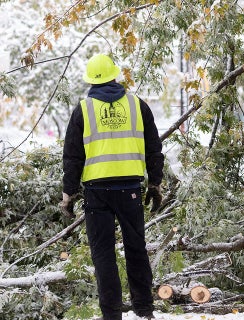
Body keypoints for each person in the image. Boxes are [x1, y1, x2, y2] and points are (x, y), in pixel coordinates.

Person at [59, 53, 164, 319]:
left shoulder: (83, 109)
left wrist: (68, 193)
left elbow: (73, 156)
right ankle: (144, 309)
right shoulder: (137, 105)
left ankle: (112, 314)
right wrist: (156, 184)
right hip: (129, 189)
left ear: (91, 81)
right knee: (136, 248)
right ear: (115, 76)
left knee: (103, 253)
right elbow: (154, 148)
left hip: (97, 192)